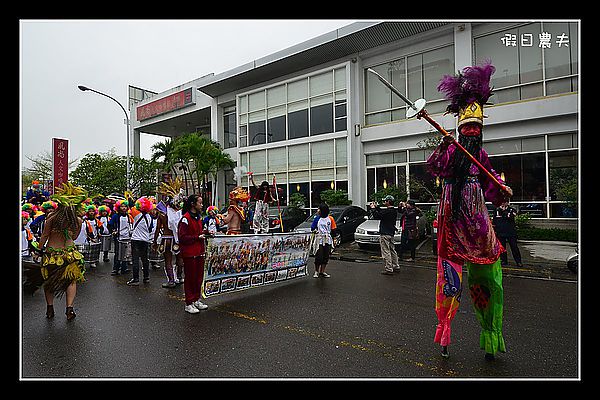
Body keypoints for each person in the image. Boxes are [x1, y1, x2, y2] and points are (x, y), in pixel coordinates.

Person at [428, 61, 512, 360]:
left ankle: (491, 335)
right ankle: (445, 335)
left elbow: (492, 184)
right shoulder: (452, 151)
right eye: (468, 129)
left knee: (487, 281)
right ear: (461, 130)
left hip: (478, 225)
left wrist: (502, 190)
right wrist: (443, 145)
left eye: (476, 130)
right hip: (453, 222)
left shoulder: (483, 156)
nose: (472, 134)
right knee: (449, 284)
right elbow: (435, 166)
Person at [31, 182, 87, 320]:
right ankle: (69, 309)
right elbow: (74, 237)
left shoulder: (52, 218)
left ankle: (50, 309)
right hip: (69, 254)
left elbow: (44, 236)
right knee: (71, 281)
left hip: (52, 254)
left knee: (49, 281)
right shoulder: (78, 220)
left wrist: (38, 251)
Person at [178, 194, 209, 313]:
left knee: (198, 277)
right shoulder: (185, 218)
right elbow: (183, 237)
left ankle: (196, 299)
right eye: (200, 203)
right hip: (190, 253)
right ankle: (189, 302)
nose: (201, 205)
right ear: (193, 204)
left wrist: (206, 232)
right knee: (190, 278)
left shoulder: (198, 218)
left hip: (199, 251)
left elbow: (199, 231)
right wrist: (197, 237)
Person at [127, 197, 154, 286]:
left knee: (135, 259)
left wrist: (129, 198)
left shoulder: (136, 214)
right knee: (145, 259)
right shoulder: (150, 217)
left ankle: (136, 279)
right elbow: (150, 229)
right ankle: (146, 277)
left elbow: (131, 205)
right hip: (145, 239)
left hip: (136, 239)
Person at [370, 195, 399, 275]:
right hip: (391, 232)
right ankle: (396, 266)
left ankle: (389, 268)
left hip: (385, 233)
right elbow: (382, 213)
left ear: (388, 202)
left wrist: (373, 209)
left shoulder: (387, 211)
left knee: (386, 251)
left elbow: (377, 216)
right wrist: (377, 207)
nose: (385, 202)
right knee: (392, 250)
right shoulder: (393, 211)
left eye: (386, 201)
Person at [310, 204, 336, 278]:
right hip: (319, 239)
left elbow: (333, 230)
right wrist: (315, 231)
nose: (318, 210)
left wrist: (334, 239)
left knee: (326, 256)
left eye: (319, 209)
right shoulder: (317, 218)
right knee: (319, 256)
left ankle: (322, 271)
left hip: (327, 239)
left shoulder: (330, 219)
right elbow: (312, 227)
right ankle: (316, 271)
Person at [493, 201, 523, 267]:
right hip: (500, 232)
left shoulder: (511, 210)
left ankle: (518, 261)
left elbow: (511, 217)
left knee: (514, 247)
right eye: (502, 201)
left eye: (505, 202)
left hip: (510, 232)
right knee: (502, 248)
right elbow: (495, 220)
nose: (503, 203)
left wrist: (504, 211)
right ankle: (504, 261)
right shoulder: (496, 210)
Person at [108, 200, 133, 276]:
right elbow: (110, 225)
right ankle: (115, 269)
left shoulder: (129, 216)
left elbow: (132, 224)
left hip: (127, 237)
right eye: (122, 206)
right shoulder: (115, 216)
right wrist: (113, 231)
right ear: (118, 207)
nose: (124, 208)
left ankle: (124, 268)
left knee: (126, 253)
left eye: (125, 206)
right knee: (118, 253)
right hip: (118, 237)